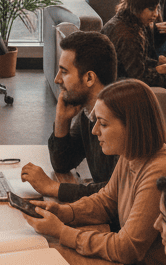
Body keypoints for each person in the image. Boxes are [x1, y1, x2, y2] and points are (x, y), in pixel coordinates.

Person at [19, 79, 166, 265]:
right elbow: (106, 201)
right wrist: (65, 213)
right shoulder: (131, 155)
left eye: (104, 124)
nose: (95, 130)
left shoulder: (160, 171)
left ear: (132, 127)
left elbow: (127, 248)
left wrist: (61, 232)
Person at [102, 0, 166, 161]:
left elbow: (135, 61)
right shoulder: (127, 33)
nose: (156, 14)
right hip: (117, 88)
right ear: (137, 7)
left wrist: (157, 64)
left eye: (157, 8)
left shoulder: (132, 22)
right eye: (151, 9)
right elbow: (137, 77)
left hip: (122, 79)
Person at [21, 30, 118, 201]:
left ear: (89, 78)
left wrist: (54, 188)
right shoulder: (89, 113)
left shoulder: (120, 120)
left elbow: (116, 191)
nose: (57, 79)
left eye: (64, 72)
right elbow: (63, 163)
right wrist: (62, 121)